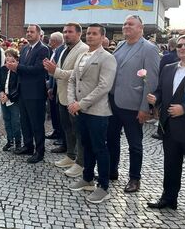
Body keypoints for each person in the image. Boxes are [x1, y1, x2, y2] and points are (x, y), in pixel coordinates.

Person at [146, 34, 185, 226]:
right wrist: (155, 97)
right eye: (179, 45)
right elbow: (161, 92)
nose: (183, 48)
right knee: (170, 166)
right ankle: (169, 198)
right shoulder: (169, 68)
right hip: (170, 128)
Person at [108, 15, 159, 192]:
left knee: (135, 145)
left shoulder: (149, 49)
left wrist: (145, 108)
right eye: (124, 23)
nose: (126, 26)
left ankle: (134, 179)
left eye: (131, 24)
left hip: (133, 105)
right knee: (112, 139)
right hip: (114, 102)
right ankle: (112, 171)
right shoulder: (121, 45)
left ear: (140, 28)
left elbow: (151, 81)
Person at [67, 24, 117, 204]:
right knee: (86, 145)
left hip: (97, 112)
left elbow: (104, 87)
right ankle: (87, 178)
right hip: (80, 110)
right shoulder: (82, 54)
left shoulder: (107, 58)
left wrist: (80, 103)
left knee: (100, 148)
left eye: (94, 34)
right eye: (88, 33)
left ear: (103, 37)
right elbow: (73, 79)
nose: (90, 36)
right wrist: (72, 102)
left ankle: (103, 187)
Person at [44, 23, 89, 177]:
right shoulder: (63, 49)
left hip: (75, 98)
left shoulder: (83, 49)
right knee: (67, 129)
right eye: (64, 32)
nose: (66, 34)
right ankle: (70, 156)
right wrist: (53, 85)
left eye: (70, 32)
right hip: (62, 95)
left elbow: (78, 74)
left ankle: (80, 163)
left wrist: (55, 71)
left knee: (78, 131)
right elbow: (60, 70)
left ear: (79, 34)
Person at [8, 24, 49, 164]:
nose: (29, 34)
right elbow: (23, 69)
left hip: (36, 93)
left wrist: (18, 67)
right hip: (23, 92)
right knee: (24, 121)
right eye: (27, 31)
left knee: (36, 123)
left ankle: (39, 152)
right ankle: (28, 146)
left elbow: (39, 69)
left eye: (32, 32)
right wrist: (15, 68)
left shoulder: (43, 49)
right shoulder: (25, 48)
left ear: (39, 34)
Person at [0, 48, 22, 151]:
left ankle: (18, 142)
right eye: (7, 60)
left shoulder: (18, 71)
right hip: (4, 99)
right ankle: (9, 141)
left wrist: (9, 96)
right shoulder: (3, 69)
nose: (9, 63)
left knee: (15, 122)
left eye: (12, 61)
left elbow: (18, 87)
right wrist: (1, 92)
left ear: (16, 61)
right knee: (6, 120)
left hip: (14, 100)